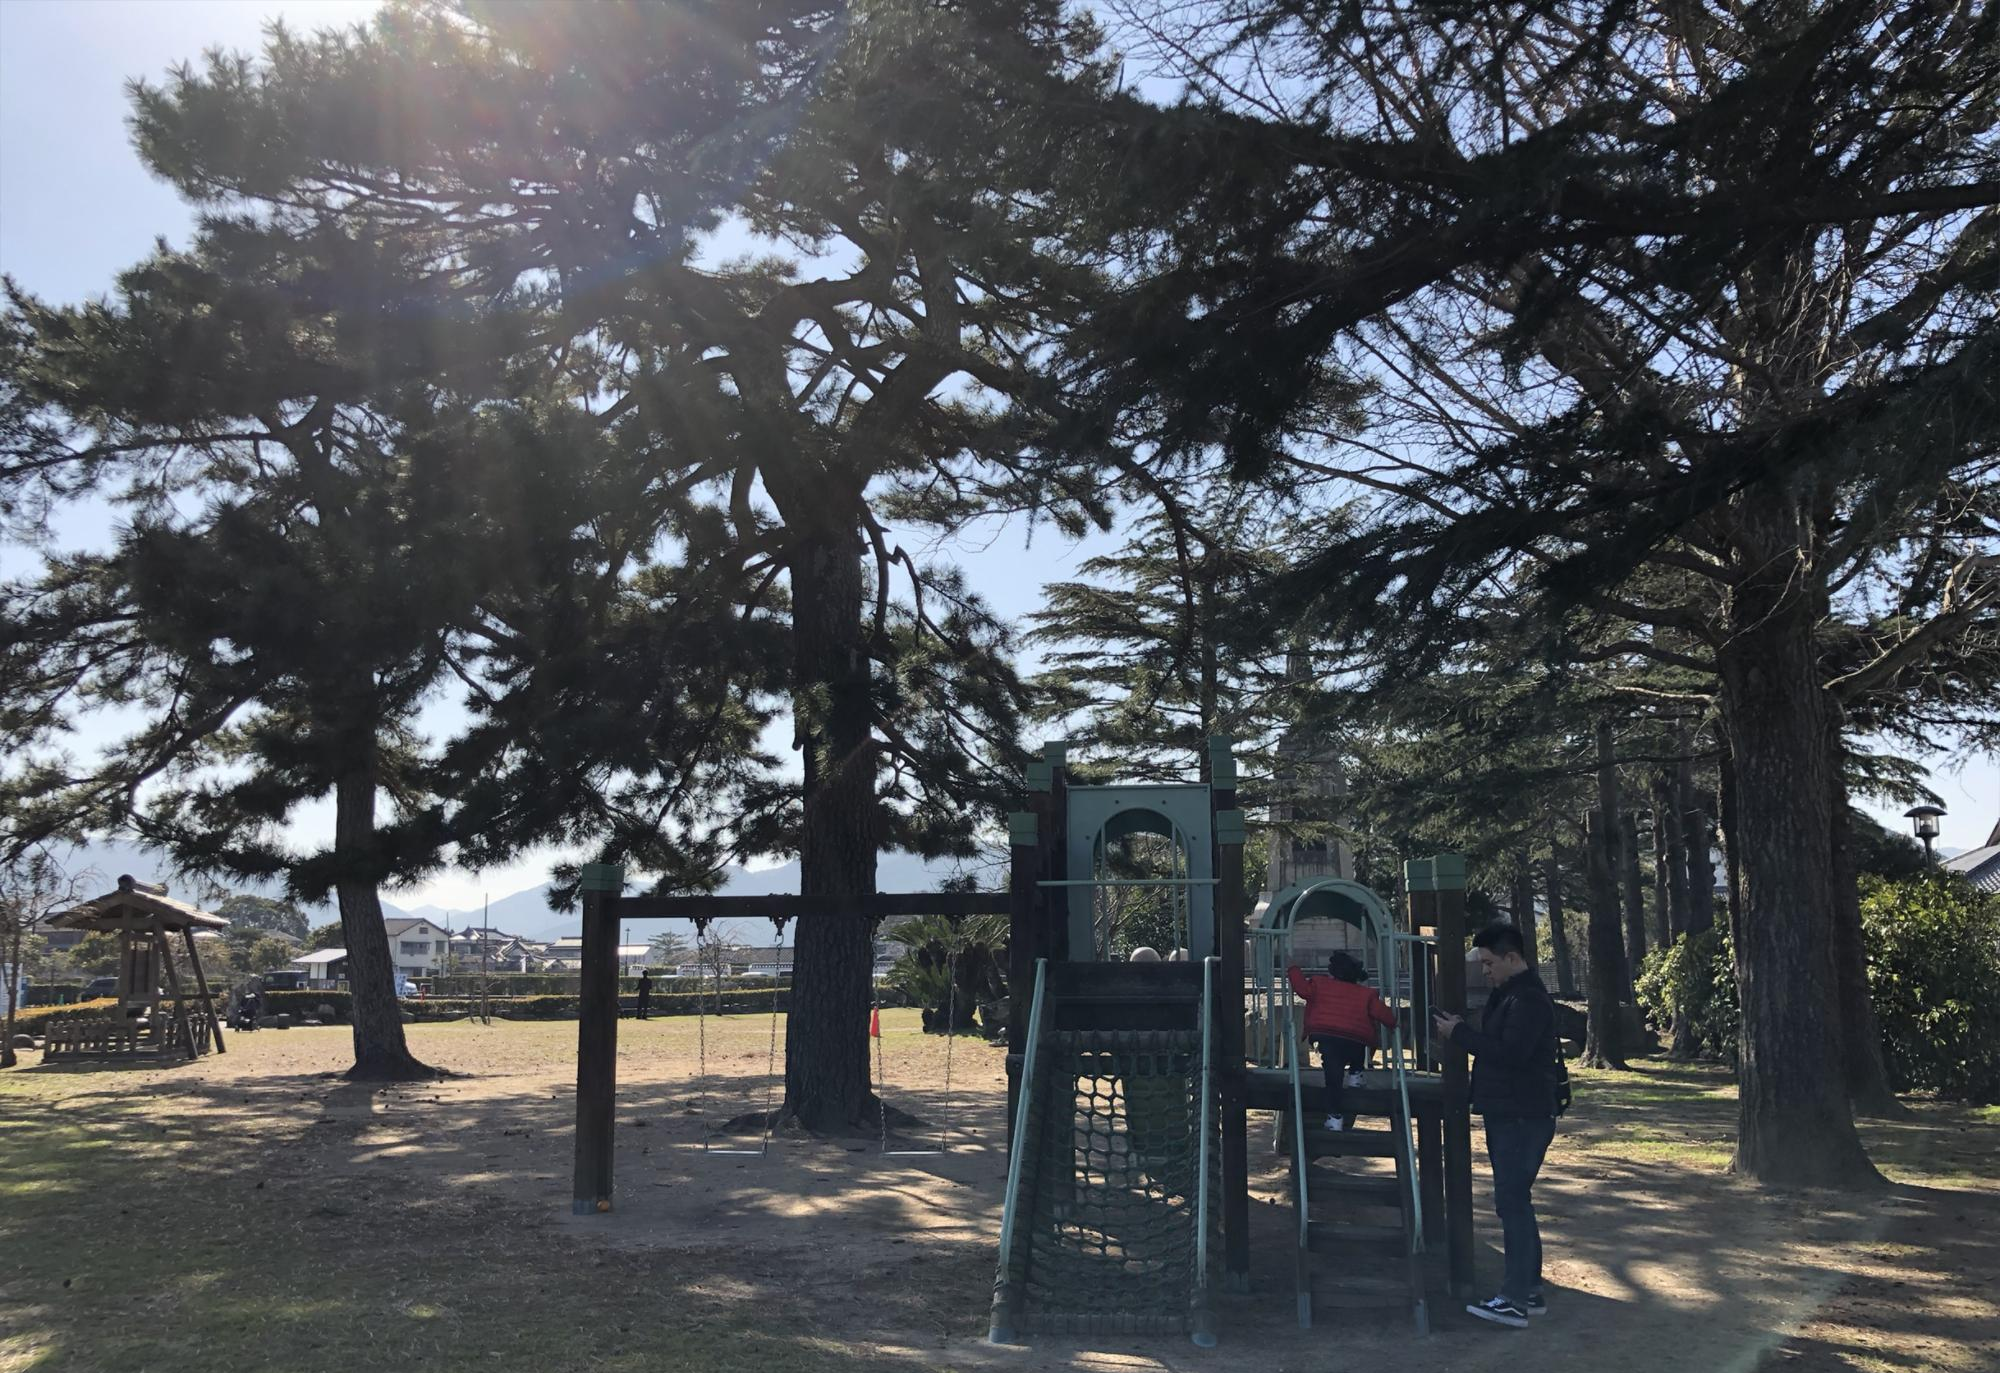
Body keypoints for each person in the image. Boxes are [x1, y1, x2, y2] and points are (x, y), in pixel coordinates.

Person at [1433, 921, 1559, 1329]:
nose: (1485, 971)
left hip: (1522, 1115)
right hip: (1511, 1112)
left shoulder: (1528, 1000)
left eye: (1489, 963)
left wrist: (1460, 1034)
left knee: (1512, 1202)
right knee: (1515, 1201)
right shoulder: (1510, 995)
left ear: (1511, 957)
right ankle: (1529, 1289)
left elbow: (1510, 1053)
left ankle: (1514, 1299)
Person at [1287, 950, 1395, 1131]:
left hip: (1327, 1036)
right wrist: (1394, 1023)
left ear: (1333, 972)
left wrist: (1293, 968)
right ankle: (1356, 1073)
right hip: (1355, 1037)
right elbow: (1385, 1015)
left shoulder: (1319, 984)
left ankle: (1334, 1117)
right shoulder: (1366, 994)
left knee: (1333, 1078)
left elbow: (1301, 989)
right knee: (1360, 1045)